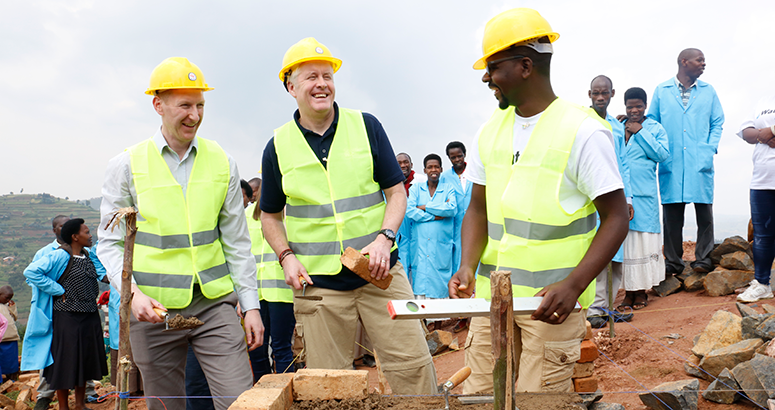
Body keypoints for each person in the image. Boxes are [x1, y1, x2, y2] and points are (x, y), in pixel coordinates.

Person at [448, 8, 629, 393]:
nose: (486, 78)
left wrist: (575, 284)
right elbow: (477, 209)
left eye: (494, 67)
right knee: (480, 397)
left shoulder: (583, 132)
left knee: (538, 401)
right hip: (491, 302)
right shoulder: (489, 132)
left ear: (525, 66)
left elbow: (616, 218)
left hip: (551, 306)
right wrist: (466, 266)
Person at [260, 37, 437, 394]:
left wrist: (385, 238)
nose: (322, 83)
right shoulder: (277, 146)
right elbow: (270, 216)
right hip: (320, 288)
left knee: (414, 369)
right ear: (290, 86)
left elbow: (396, 193)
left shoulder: (366, 126)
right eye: (311, 77)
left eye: (327, 75)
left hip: (380, 274)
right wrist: (286, 257)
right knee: (329, 387)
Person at [97, 57, 263, 410]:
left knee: (239, 401)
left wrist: (250, 306)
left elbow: (236, 241)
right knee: (165, 404)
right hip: (152, 311)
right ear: (158, 105)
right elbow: (109, 244)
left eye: (200, 105)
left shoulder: (222, 162)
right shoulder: (127, 166)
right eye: (184, 105)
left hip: (214, 305)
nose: (195, 115)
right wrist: (133, 296)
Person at [649, 48, 724, 275]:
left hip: (699, 159)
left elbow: (717, 121)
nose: (703, 64)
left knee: (704, 213)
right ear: (684, 62)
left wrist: (709, 149)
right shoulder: (662, 91)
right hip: (671, 160)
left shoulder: (708, 91)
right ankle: (673, 262)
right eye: (699, 60)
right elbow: (652, 121)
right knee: (672, 215)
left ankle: (703, 259)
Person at [22, 219, 108, 410]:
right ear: (75, 237)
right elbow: (31, 272)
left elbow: (103, 275)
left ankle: (79, 404)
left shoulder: (88, 255)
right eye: (86, 232)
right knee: (64, 361)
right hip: (67, 317)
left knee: (84, 360)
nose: (90, 235)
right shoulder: (60, 255)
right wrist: (58, 290)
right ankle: (63, 407)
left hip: (89, 315)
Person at [586, 75, 634, 328]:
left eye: (604, 93)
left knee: (615, 255)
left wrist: (628, 198)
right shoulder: (582, 122)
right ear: (589, 94)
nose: (601, 97)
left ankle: (608, 307)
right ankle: (594, 309)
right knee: (597, 252)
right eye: (596, 93)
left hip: (616, 196)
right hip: (592, 198)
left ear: (612, 94)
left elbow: (623, 164)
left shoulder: (617, 127)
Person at [619, 87, 669, 310]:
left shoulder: (655, 128)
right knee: (627, 244)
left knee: (641, 244)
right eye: (630, 106)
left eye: (638, 105)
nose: (634, 110)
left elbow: (662, 154)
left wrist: (640, 131)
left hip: (645, 195)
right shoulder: (619, 127)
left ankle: (641, 293)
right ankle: (628, 293)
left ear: (645, 105)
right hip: (622, 196)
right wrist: (626, 128)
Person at [246, 178, 296, 382]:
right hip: (253, 295)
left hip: (282, 292)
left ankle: (285, 396)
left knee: (281, 348)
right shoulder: (246, 215)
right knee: (256, 350)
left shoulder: (291, 214)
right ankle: (263, 395)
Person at [736, 94, 775, 303]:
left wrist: (769, 131)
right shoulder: (762, 102)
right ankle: (762, 284)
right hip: (762, 180)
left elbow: (756, 134)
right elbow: (746, 133)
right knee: (762, 235)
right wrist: (765, 134)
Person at [406, 154, 457, 303]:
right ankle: (424, 325)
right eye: (430, 167)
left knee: (440, 286)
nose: (433, 170)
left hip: (440, 245)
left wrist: (425, 207)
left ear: (441, 169)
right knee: (420, 286)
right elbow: (410, 211)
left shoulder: (448, 188)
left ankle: (438, 324)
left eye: (436, 167)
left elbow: (451, 209)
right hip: (420, 245)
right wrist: (434, 216)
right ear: (425, 170)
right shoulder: (416, 188)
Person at [440, 142, 473, 273]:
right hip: (454, 223)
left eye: (459, 156)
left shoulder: (474, 172)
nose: (457, 160)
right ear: (449, 158)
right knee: (456, 255)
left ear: (464, 155)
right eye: (453, 157)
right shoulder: (445, 177)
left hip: (473, 220)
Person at [396, 152, 426, 284]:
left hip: (419, 231)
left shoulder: (422, 180)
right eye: (399, 163)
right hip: (401, 234)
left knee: (419, 269)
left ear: (411, 164)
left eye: (405, 162)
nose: (403, 165)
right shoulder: (392, 184)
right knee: (401, 268)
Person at [0, 286, 20, 381]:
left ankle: (12, 380)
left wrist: (12, 308)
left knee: (11, 361)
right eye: (6, 298)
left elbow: (14, 317)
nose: (8, 300)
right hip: (1, 339)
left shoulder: (7, 306)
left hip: (11, 337)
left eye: (10, 298)